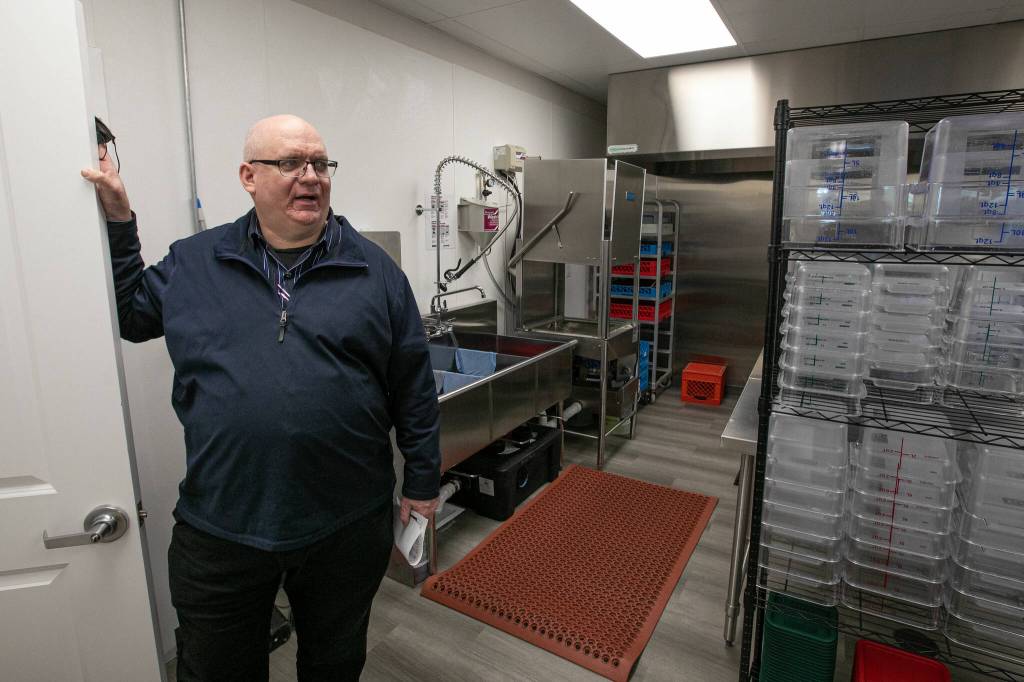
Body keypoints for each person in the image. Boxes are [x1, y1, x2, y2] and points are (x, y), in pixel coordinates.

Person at [82, 114, 441, 682]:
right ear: (249, 176)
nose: (311, 177)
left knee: (335, 661)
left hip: (344, 522)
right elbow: (130, 314)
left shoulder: (376, 272)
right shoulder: (195, 262)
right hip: (222, 522)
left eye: (321, 164)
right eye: (292, 163)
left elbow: (413, 386)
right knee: (215, 669)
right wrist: (120, 221)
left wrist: (421, 484)